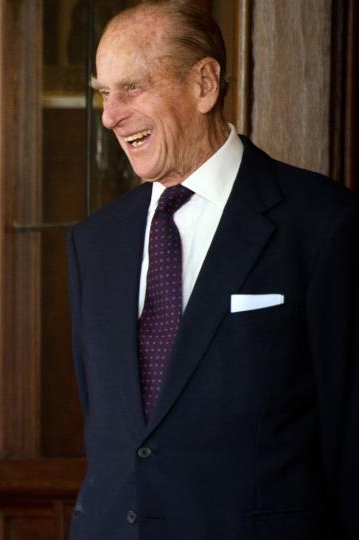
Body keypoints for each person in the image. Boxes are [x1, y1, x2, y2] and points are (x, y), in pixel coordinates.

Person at [67, 1, 358, 539]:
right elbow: (116, 431)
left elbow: (351, 438)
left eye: (131, 88)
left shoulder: (322, 223)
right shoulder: (93, 243)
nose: (109, 115)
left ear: (204, 84)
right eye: (103, 93)